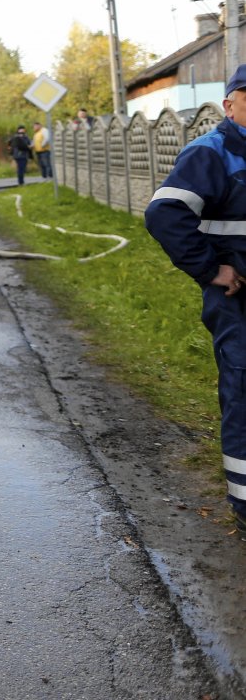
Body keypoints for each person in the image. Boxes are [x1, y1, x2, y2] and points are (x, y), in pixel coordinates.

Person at [146, 64, 246, 540]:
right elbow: (165, 215)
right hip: (238, 298)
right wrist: (210, 270)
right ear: (229, 105)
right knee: (244, 390)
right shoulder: (212, 152)